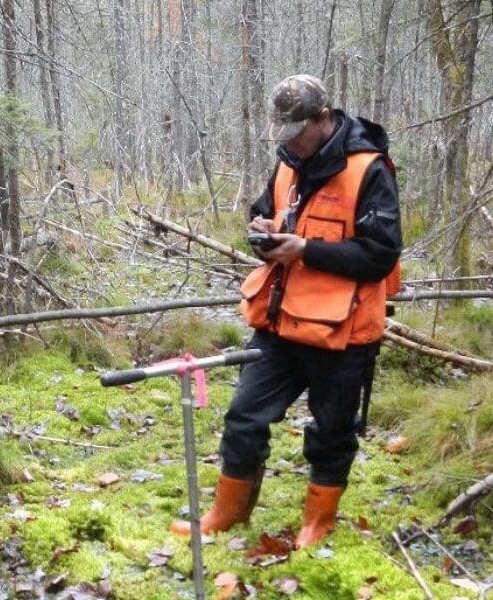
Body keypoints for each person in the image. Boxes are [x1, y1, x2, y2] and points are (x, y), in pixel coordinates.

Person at [169, 74, 401, 549]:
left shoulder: (369, 170)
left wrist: (305, 250)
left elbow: (380, 256)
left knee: (332, 431)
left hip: (344, 332)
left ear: (323, 117)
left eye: (297, 130)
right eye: (284, 132)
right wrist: (262, 234)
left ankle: (318, 522)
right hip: (280, 321)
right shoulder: (287, 164)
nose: (290, 140)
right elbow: (263, 214)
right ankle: (228, 512)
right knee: (243, 417)